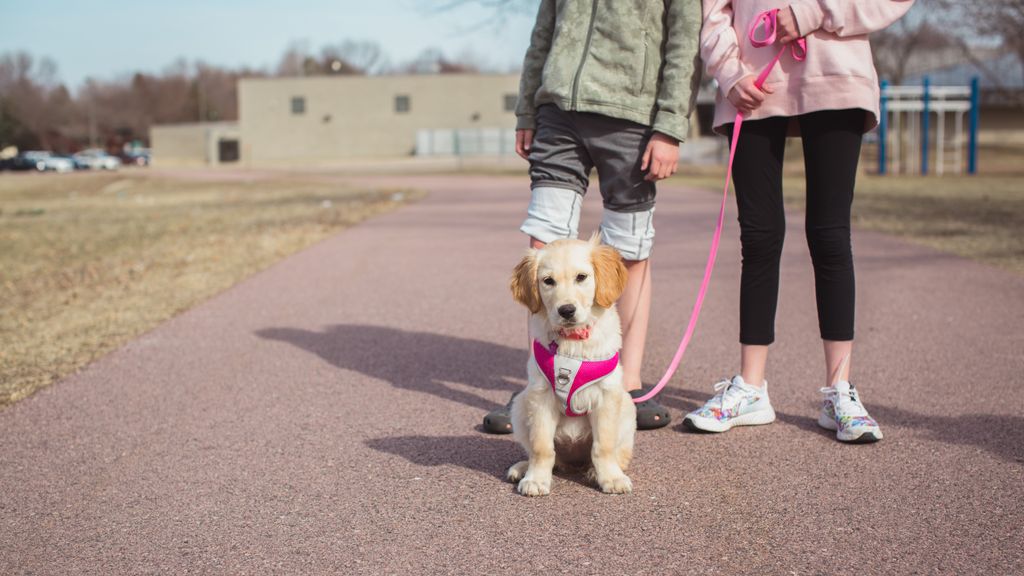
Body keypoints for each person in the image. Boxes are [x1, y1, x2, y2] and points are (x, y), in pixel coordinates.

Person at [683, 0, 915, 442]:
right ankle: (750, 389)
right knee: (759, 234)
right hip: (751, 83)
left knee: (829, 233)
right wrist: (729, 72)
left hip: (835, 76)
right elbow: (714, 14)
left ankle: (839, 391)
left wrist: (811, 12)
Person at [482, 0, 703, 434]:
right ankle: (543, 381)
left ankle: (629, 383)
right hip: (559, 113)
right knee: (543, 246)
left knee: (630, 253)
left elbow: (684, 40)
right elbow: (543, 32)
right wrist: (528, 109)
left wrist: (670, 125)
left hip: (633, 116)